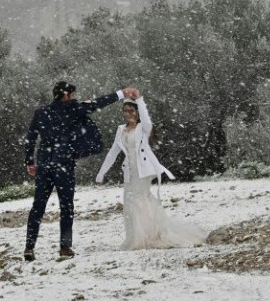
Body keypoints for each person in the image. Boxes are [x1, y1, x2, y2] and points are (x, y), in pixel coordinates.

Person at [23, 81, 139, 261]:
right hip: (64, 163)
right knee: (66, 207)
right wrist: (122, 93)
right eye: (73, 95)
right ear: (67, 95)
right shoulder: (74, 108)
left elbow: (30, 138)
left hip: (45, 163)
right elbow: (99, 103)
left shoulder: (41, 112)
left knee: (38, 207)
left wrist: (30, 161)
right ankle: (65, 247)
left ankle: (29, 247)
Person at [95, 94, 207, 250]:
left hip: (143, 171)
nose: (128, 114)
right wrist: (101, 174)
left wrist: (140, 100)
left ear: (137, 111)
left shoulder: (143, 128)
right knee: (130, 202)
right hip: (129, 170)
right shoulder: (121, 130)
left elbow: (146, 119)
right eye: (125, 111)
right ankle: (140, 235)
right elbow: (113, 153)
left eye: (131, 111)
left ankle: (145, 237)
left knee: (137, 199)